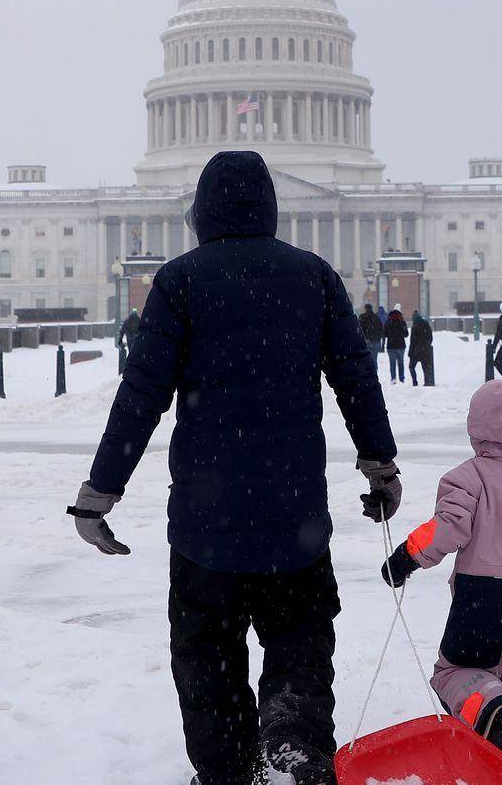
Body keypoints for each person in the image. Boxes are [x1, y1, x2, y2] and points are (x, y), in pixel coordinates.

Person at [70, 151, 401, 785]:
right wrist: (379, 465)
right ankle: (294, 755)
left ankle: (226, 771)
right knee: (299, 652)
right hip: (294, 518)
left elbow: (141, 394)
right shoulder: (313, 276)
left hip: (205, 521)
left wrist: (99, 492)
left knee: (208, 662)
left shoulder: (180, 281)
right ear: (270, 208)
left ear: (201, 213)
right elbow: (356, 378)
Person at [381, 379, 502, 772]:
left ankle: (490, 705)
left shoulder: (469, 476)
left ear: (477, 427)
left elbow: (450, 526)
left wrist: (407, 556)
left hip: (484, 595)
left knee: (455, 672)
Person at [409, 310, 435, 387]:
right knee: (426, 367)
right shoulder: (426, 325)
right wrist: (427, 346)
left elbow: (412, 341)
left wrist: (411, 352)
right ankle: (428, 382)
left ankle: (415, 382)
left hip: (416, 351)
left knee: (411, 367)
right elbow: (430, 337)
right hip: (425, 350)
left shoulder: (414, 327)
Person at [384, 305, 409, 384]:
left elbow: (385, 334)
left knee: (392, 363)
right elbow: (406, 334)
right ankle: (401, 378)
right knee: (400, 362)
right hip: (401, 345)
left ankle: (393, 378)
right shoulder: (402, 321)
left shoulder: (388, 322)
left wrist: (391, 334)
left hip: (391, 345)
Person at [359, 303, 385, 372]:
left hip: (365, 341)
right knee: (374, 359)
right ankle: (374, 374)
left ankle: (367, 374)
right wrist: (378, 338)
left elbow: (359, 329)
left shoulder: (362, 317)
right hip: (375, 341)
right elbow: (381, 330)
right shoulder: (376, 317)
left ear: (365, 309)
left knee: (365, 359)